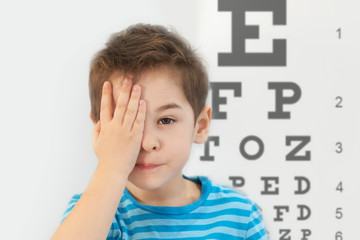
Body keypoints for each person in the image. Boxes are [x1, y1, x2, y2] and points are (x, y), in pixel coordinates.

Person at [51, 23, 268, 240]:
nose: (147, 142)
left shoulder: (240, 216)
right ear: (101, 130)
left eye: (166, 120)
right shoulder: (98, 212)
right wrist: (112, 166)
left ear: (200, 126)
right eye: (128, 122)